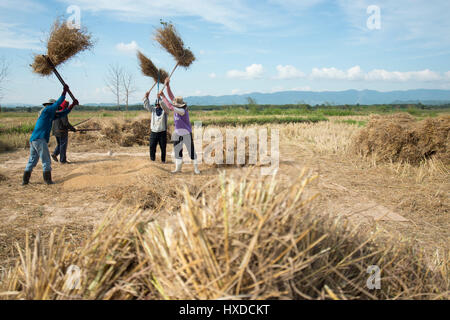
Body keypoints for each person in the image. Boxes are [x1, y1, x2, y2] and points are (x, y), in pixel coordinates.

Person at [22, 85, 78, 185]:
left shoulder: (49, 115)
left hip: (34, 140)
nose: (56, 109)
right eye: (54, 107)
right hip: (40, 139)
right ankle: (48, 181)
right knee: (46, 160)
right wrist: (64, 92)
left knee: (32, 161)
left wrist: (72, 105)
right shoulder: (47, 110)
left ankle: (25, 181)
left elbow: (63, 113)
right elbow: (57, 104)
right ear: (50, 105)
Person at [158, 78, 200, 174]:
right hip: (177, 133)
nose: (174, 103)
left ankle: (196, 169)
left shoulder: (182, 110)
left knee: (191, 151)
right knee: (178, 151)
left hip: (186, 133)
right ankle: (178, 169)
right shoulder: (178, 106)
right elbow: (171, 96)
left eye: (175, 103)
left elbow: (170, 106)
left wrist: (163, 96)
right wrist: (168, 86)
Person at [143, 90, 169, 162]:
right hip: (153, 132)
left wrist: (160, 99)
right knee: (152, 147)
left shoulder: (165, 111)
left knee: (163, 148)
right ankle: (152, 160)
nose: (157, 106)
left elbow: (166, 107)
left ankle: (163, 160)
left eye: (158, 105)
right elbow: (147, 106)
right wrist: (146, 97)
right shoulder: (153, 110)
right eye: (156, 105)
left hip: (162, 132)